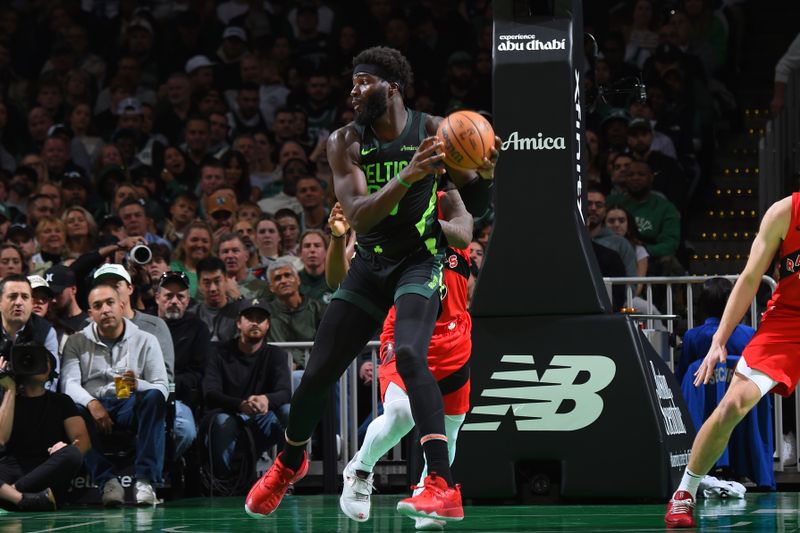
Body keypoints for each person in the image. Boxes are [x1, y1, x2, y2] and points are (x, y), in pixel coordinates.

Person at [245, 46, 498, 522]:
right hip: (370, 264)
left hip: (419, 263)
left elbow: (473, 206)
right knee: (318, 371)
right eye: (354, 82)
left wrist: (484, 170)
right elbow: (360, 213)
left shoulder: (433, 130)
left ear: (392, 87)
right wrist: (410, 173)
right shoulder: (344, 141)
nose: (354, 90)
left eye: (363, 81)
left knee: (408, 354)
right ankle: (290, 462)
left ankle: (443, 485)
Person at [330, 192, 473, 528]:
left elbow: (464, 232)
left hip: (454, 340)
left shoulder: (449, 204)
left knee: (449, 432)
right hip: (404, 335)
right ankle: (360, 469)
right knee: (400, 413)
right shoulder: (383, 210)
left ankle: (431, 491)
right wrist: (339, 238)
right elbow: (342, 278)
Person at [664, 194, 800, 527]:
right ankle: (685, 493)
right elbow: (751, 277)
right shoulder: (785, 212)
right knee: (732, 405)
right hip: (787, 322)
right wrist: (718, 341)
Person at [61, 284, 168, 506]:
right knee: (73, 408)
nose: (105, 309)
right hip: (94, 407)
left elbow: (162, 387)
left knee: (154, 398)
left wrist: (136, 383)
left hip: (129, 403)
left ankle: (145, 481)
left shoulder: (146, 339)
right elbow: (68, 384)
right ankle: (107, 481)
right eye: (97, 306)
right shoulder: (75, 341)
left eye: (110, 302)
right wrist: (92, 403)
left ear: (121, 305)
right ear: (90, 314)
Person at [202, 298, 291, 479]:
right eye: (249, 318)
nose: (255, 323)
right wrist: (240, 404)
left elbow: (285, 392)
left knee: (289, 412)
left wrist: (266, 399)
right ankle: (223, 483)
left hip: (262, 418)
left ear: (267, 325)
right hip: (230, 414)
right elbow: (210, 393)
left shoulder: (276, 355)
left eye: (260, 319)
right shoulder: (219, 353)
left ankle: (284, 478)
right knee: (220, 422)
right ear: (238, 323)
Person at [0, 344, 90, 511]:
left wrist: (69, 446)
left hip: (46, 476)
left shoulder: (61, 401)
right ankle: (25, 500)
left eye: (44, 360)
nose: (37, 363)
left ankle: (13, 496)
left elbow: (83, 441)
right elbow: (1, 438)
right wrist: (9, 389)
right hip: (8, 470)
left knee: (73, 453)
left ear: (51, 367)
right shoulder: (6, 399)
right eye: (29, 359)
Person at [155, 271, 210, 459]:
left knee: (186, 431)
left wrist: (167, 385)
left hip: (178, 396)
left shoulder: (198, 328)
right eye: (168, 296)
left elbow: (198, 373)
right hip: (143, 392)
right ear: (157, 298)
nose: (174, 301)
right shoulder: (145, 323)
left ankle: (162, 470)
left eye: (180, 297)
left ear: (187, 301)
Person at [92, 264, 176, 382]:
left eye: (116, 286)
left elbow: (165, 378)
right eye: (104, 288)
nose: (110, 293)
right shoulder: (88, 328)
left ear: (130, 288)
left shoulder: (155, 326)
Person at [675, 277, 755, 383]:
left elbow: (682, 377)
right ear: (732, 302)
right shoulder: (749, 334)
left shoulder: (692, 336)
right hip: (741, 397)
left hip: (702, 398)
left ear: (702, 305)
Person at [264, 257, 325, 388]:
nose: (284, 281)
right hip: (280, 372)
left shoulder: (317, 308)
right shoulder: (267, 313)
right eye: (278, 278)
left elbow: (325, 343)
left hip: (314, 367)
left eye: (288, 275)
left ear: (298, 280)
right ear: (271, 288)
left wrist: (298, 362)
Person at [0, 275, 59, 392]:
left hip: (32, 396)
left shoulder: (45, 331)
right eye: (12, 296)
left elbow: (52, 381)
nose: (18, 302)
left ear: (31, 302)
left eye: (25, 297)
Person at [189, 257, 239, 343]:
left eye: (217, 281)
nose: (213, 288)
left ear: (226, 280)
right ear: (199, 285)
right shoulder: (191, 315)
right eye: (207, 283)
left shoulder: (238, 312)